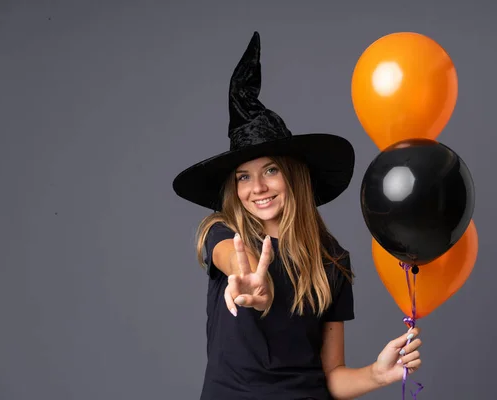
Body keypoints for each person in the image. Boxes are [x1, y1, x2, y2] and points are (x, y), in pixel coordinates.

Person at [172, 31, 423, 400]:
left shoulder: (332, 261)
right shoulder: (223, 231)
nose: (257, 187)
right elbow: (232, 258)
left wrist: (377, 374)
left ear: (294, 176)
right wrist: (248, 277)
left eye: (271, 170)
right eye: (244, 176)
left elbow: (331, 376)